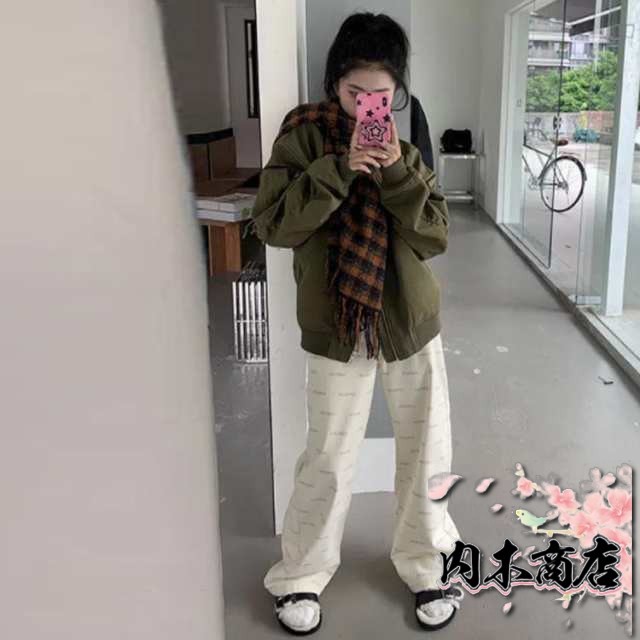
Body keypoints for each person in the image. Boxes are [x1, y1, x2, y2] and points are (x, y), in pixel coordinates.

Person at [250, 11, 464, 635]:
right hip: (337, 323)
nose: (368, 106)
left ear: (397, 93)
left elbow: (435, 235)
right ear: (333, 83)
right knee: (327, 456)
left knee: (427, 451)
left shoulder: (410, 140)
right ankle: (300, 576)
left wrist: (396, 171)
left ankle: (428, 565)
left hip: (408, 320)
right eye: (354, 92)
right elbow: (274, 225)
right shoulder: (302, 137)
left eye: (381, 95)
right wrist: (339, 168)